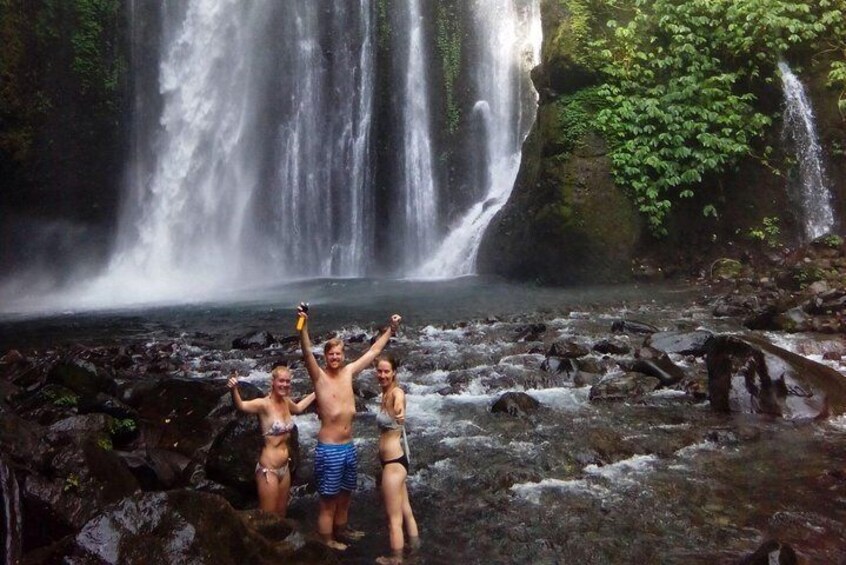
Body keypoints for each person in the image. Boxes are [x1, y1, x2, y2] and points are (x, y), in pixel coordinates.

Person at [298, 305, 401, 550]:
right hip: (330, 449)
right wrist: (302, 323)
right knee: (328, 500)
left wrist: (391, 329)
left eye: (338, 354)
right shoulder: (320, 378)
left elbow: (374, 350)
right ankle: (327, 540)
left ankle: (343, 529)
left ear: (343, 356)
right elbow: (306, 352)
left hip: (348, 447)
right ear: (326, 357)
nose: (335, 358)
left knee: (345, 494)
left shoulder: (348, 372)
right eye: (331, 354)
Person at [227, 365, 315, 517]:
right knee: (268, 517)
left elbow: (299, 408)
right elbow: (241, 406)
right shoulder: (263, 404)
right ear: (273, 382)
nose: (285, 385)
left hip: (284, 468)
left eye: (287, 382)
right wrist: (233, 389)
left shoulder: (286, 402)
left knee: (281, 514)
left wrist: (316, 392)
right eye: (281, 381)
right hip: (269, 470)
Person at [374, 355, 419, 565]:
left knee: (394, 520)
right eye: (380, 371)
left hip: (393, 464)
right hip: (396, 462)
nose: (382, 375)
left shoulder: (396, 393)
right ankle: (416, 549)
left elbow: (399, 406)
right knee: (406, 511)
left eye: (386, 371)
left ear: (394, 373)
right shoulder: (384, 393)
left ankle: (396, 559)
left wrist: (401, 414)